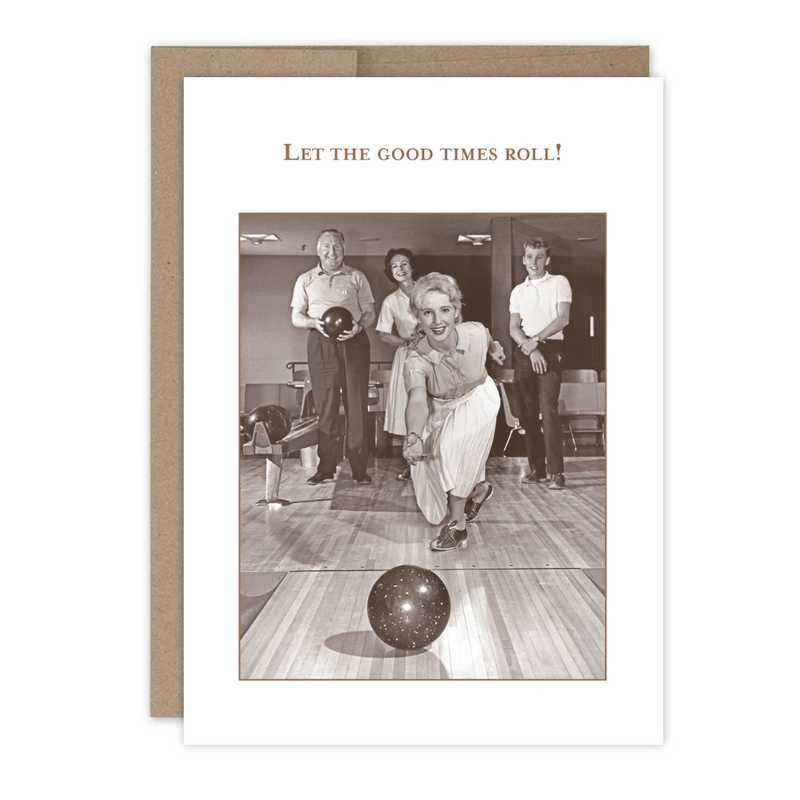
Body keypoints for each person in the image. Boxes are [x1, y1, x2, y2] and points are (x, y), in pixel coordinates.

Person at [402, 273, 506, 552]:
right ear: (418, 317)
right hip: (440, 407)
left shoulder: (475, 332)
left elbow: (486, 335)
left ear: (456, 311)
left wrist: (495, 349)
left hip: (479, 397)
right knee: (431, 486)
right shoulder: (415, 359)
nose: (438, 321)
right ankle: (479, 490)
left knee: (449, 449)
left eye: (445, 310)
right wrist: (413, 436)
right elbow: (417, 401)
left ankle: (458, 527)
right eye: (428, 312)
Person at [291, 229, 376, 485]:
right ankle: (326, 468)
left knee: (357, 404)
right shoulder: (305, 279)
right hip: (321, 342)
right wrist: (313, 323)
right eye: (326, 246)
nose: (332, 252)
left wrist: (359, 327)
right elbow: (296, 317)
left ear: (344, 249)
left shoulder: (357, 277)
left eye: (337, 246)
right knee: (326, 406)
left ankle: (359, 468)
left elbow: (369, 312)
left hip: (354, 340)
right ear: (318, 250)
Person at [509, 237, 572, 490]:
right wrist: (530, 347)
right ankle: (537, 469)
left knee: (549, 410)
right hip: (525, 350)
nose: (533, 262)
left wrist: (535, 342)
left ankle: (556, 472)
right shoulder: (518, 291)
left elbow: (563, 319)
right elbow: (513, 327)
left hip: (550, 348)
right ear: (523, 260)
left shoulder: (559, 282)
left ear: (547, 260)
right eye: (529, 257)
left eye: (539, 257)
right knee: (527, 413)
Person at [375, 248, 418, 481]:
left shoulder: (429, 291)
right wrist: (406, 341)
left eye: (404, 264)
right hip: (408, 356)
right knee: (408, 408)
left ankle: (438, 466)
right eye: (394, 266)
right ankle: (412, 465)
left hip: (434, 355)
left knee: (434, 409)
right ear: (390, 272)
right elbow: (383, 334)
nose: (400, 269)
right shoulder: (391, 301)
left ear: (412, 267)